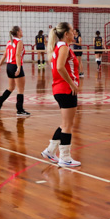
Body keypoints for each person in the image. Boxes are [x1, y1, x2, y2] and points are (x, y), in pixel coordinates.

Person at [41, 22, 82, 167]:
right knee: (68, 125)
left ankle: (50, 151)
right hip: (65, 89)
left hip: (59, 89)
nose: (74, 33)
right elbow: (59, 67)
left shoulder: (57, 47)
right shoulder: (63, 47)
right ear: (66, 34)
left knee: (65, 123)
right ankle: (65, 157)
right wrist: (72, 83)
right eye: (71, 31)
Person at [0, 26, 31, 117]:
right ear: (18, 32)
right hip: (15, 65)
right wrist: (18, 67)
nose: (22, 31)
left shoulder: (9, 42)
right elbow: (17, 55)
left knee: (11, 87)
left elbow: (4, 55)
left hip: (9, 66)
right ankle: (20, 110)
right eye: (21, 30)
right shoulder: (19, 42)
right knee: (20, 89)